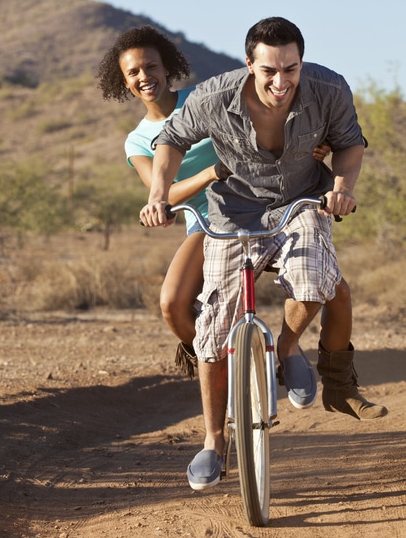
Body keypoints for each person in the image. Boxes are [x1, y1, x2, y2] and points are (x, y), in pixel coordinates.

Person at [139, 16, 388, 491]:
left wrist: (342, 187)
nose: (281, 81)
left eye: (290, 68)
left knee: (317, 279)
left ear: (301, 61)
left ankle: (288, 349)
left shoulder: (329, 89)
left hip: (300, 205)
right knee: (212, 333)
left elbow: (350, 146)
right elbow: (170, 140)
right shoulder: (215, 98)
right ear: (249, 64)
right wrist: (158, 194)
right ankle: (214, 442)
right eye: (269, 70)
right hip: (233, 214)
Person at [96, 25, 333, 378]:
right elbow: (163, 194)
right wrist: (211, 173)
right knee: (172, 304)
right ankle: (229, 364)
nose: (144, 77)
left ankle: (315, 363)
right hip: (205, 221)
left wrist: (316, 146)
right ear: (123, 81)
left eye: (151, 66)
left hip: (266, 205)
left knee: (330, 283)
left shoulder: (203, 99)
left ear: (167, 68)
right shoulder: (137, 141)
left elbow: (272, 125)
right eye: (134, 72)